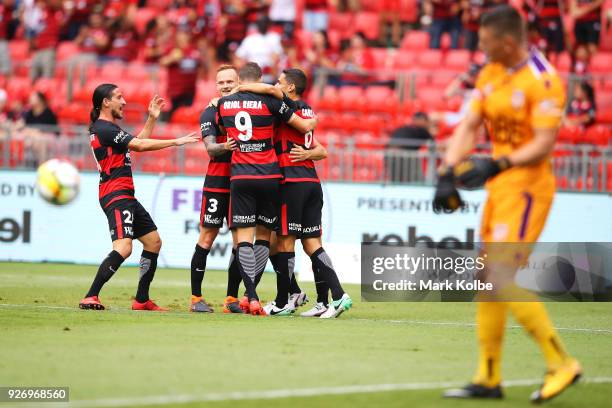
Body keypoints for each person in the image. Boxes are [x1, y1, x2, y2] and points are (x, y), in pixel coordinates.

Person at [434, 6, 582, 402]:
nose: (479, 48)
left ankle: (562, 363)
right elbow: (469, 124)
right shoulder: (490, 73)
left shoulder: (544, 80)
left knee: (499, 278)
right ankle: (488, 377)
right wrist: (447, 170)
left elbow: (544, 143)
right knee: (486, 281)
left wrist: (497, 162)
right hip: (501, 188)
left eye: (485, 42)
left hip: (529, 188)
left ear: (508, 42)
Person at [235, 68, 353, 318]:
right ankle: (329, 299)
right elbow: (320, 149)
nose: (275, 84)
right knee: (312, 244)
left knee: (284, 242)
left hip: (291, 182)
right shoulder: (307, 109)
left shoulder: (285, 106)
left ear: (289, 88)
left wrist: (240, 88)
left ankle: (282, 301)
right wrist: (309, 153)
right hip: (311, 182)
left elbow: (266, 89)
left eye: (280, 82)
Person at [79, 84, 199, 311]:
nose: (124, 101)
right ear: (106, 102)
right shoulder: (104, 128)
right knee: (124, 247)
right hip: (115, 194)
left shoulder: (108, 129)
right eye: (119, 97)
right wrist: (176, 141)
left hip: (125, 194)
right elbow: (141, 145)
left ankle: (141, 299)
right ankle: (90, 295)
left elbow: (137, 141)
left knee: (153, 242)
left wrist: (152, 119)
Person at [217, 62, 317, 315]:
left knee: (245, 241)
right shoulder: (271, 103)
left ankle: (251, 296)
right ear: (260, 79)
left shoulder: (221, 104)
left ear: (240, 79)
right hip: (271, 176)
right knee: (268, 240)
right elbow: (303, 125)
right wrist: (312, 121)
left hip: (240, 176)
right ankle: (283, 293)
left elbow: (216, 132)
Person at [190, 64, 240, 313]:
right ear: (216, 86)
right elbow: (211, 149)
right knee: (207, 238)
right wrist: (229, 146)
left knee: (239, 241)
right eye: (221, 83)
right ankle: (196, 298)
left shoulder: (249, 110)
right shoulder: (209, 112)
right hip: (217, 182)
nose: (225, 86)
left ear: (239, 82)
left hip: (243, 183)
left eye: (230, 81)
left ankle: (231, 299)